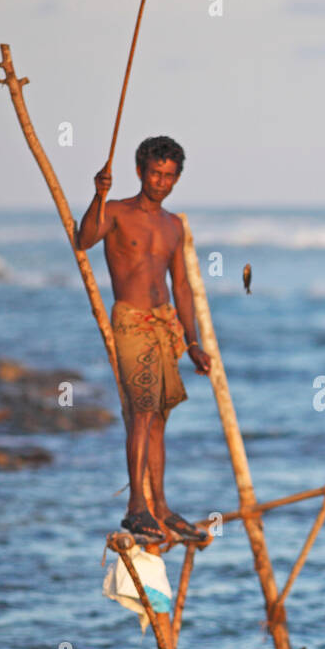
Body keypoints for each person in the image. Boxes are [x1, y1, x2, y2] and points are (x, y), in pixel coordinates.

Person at [77, 135, 211, 544]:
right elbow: (84, 239)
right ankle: (137, 507)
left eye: (170, 176)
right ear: (139, 171)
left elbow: (183, 287)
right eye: (156, 173)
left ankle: (162, 507)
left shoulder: (174, 225)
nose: (162, 182)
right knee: (142, 412)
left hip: (165, 325)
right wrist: (98, 196)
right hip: (132, 321)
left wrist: (193, 342)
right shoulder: (116, 212)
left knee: (159, 419)